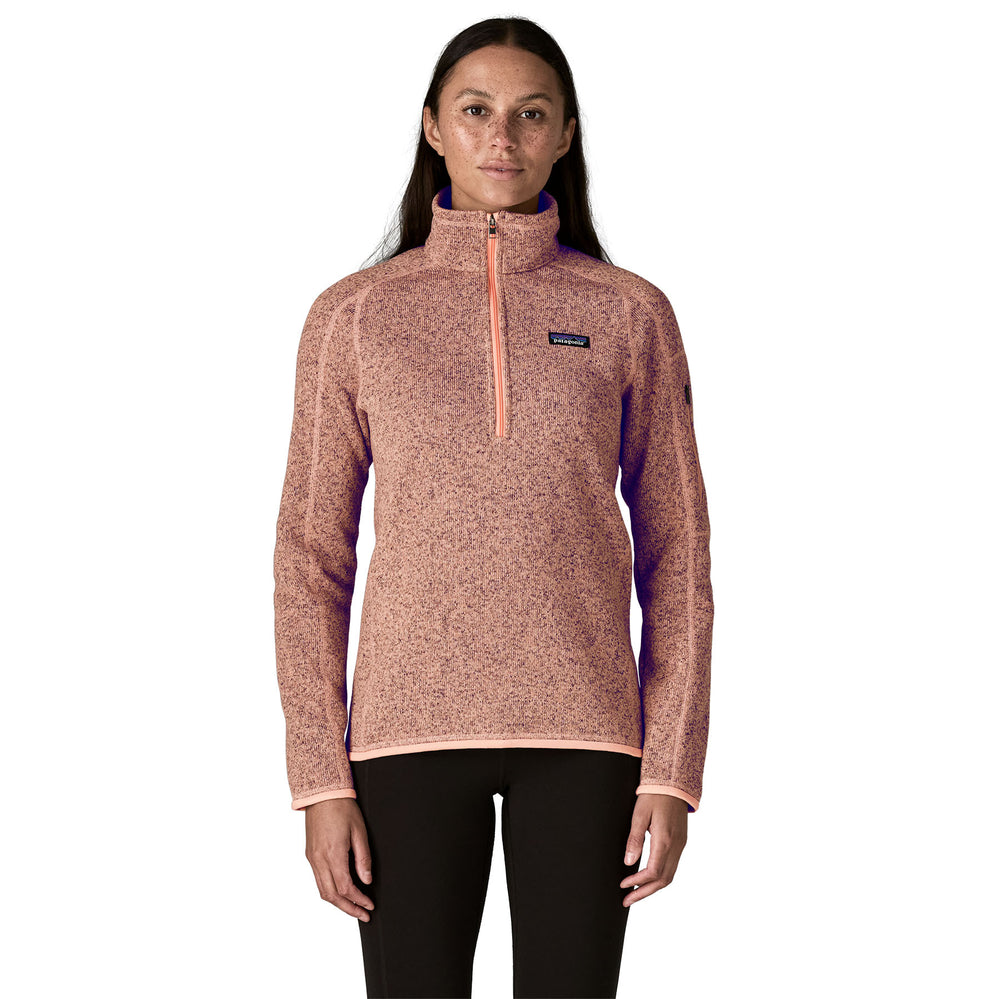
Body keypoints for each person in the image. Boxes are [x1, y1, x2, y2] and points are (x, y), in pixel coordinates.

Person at [272, 16, 714, 999]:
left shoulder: (627, 311)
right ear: (434, 127)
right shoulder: (355, 314)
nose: (501, 137)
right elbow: (309, 555)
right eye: (475, 111)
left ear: (566, 134)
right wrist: (319, 778)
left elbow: (678, 551)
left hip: (589, 734)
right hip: (402, 733)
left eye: (530, 114)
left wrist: (671, 769)